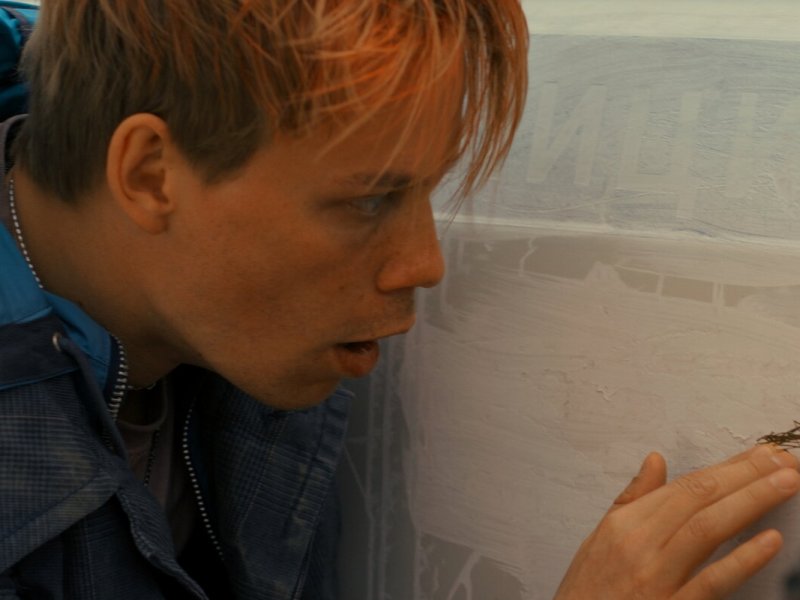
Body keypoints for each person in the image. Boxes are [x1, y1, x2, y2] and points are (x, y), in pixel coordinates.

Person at [0, 1, 796, 599]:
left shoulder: (242, 339)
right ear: (149, 175)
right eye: (369, 200)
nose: (424, 264)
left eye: (428, 193)